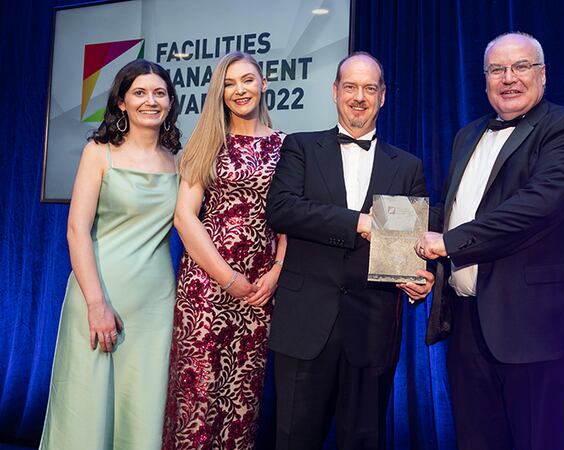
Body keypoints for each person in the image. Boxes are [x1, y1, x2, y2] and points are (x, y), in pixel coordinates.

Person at [415, 32, 564, 449]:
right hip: (467, 322)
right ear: (484, 80)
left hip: (537, 325)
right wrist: (401, 236)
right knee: (475, 439)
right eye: (497, 69)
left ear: (543, 74)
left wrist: (447, 243)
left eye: (521, 67)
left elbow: (536, 207)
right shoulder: (468, 135)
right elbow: (458, 208)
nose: (508, 78)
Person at [265, 51, 433, 450]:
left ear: (383, 96)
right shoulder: (301, 148)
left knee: (364, 440)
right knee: (293, 439)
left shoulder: (407, 165)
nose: (359, 97)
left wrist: (419, 276)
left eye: (369, 88)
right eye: (351, 87)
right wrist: (358, 222)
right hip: (305, 325)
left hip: (372, 328)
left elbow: (413, 243)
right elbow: (283, 209)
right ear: (335, 92)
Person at [39, 59, 181, 449]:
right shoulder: (99, 152)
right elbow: (75, 230)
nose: (150, 101)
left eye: (159, 93)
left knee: (144, 407)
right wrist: (96, 303)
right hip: (98, 293)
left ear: (170, 101)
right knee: (86, 407)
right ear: (121, 102)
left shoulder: (179, 161)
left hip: (155, 303)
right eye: (139, 93)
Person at [162, 51, 286, 450]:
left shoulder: (287, 147)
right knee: (197, 400)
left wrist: (276, 271)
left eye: (247, 80)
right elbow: (185, 217)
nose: (239, 90)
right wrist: (228, 278)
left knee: (241, 403)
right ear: (219, 92)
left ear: (263, 84)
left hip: (258, 293)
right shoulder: (206, 142)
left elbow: (291, 221)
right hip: (206, 290)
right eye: (229, 84)